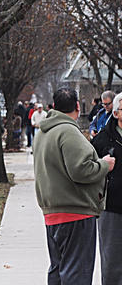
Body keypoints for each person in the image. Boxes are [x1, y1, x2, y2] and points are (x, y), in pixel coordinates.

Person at [34, 87, 115, 284]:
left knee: (58, 270)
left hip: (52, 213)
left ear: (54, 107)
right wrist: (105, 165)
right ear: (78, 107)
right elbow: (81, 170)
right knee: (77, 272)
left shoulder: (43, 133)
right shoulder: (68, 131)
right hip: (76, 213)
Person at [91, 92, 122, 284]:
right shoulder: (103, 140)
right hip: (111, 208)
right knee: (112, 261)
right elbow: (90, 170)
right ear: (117, 113)